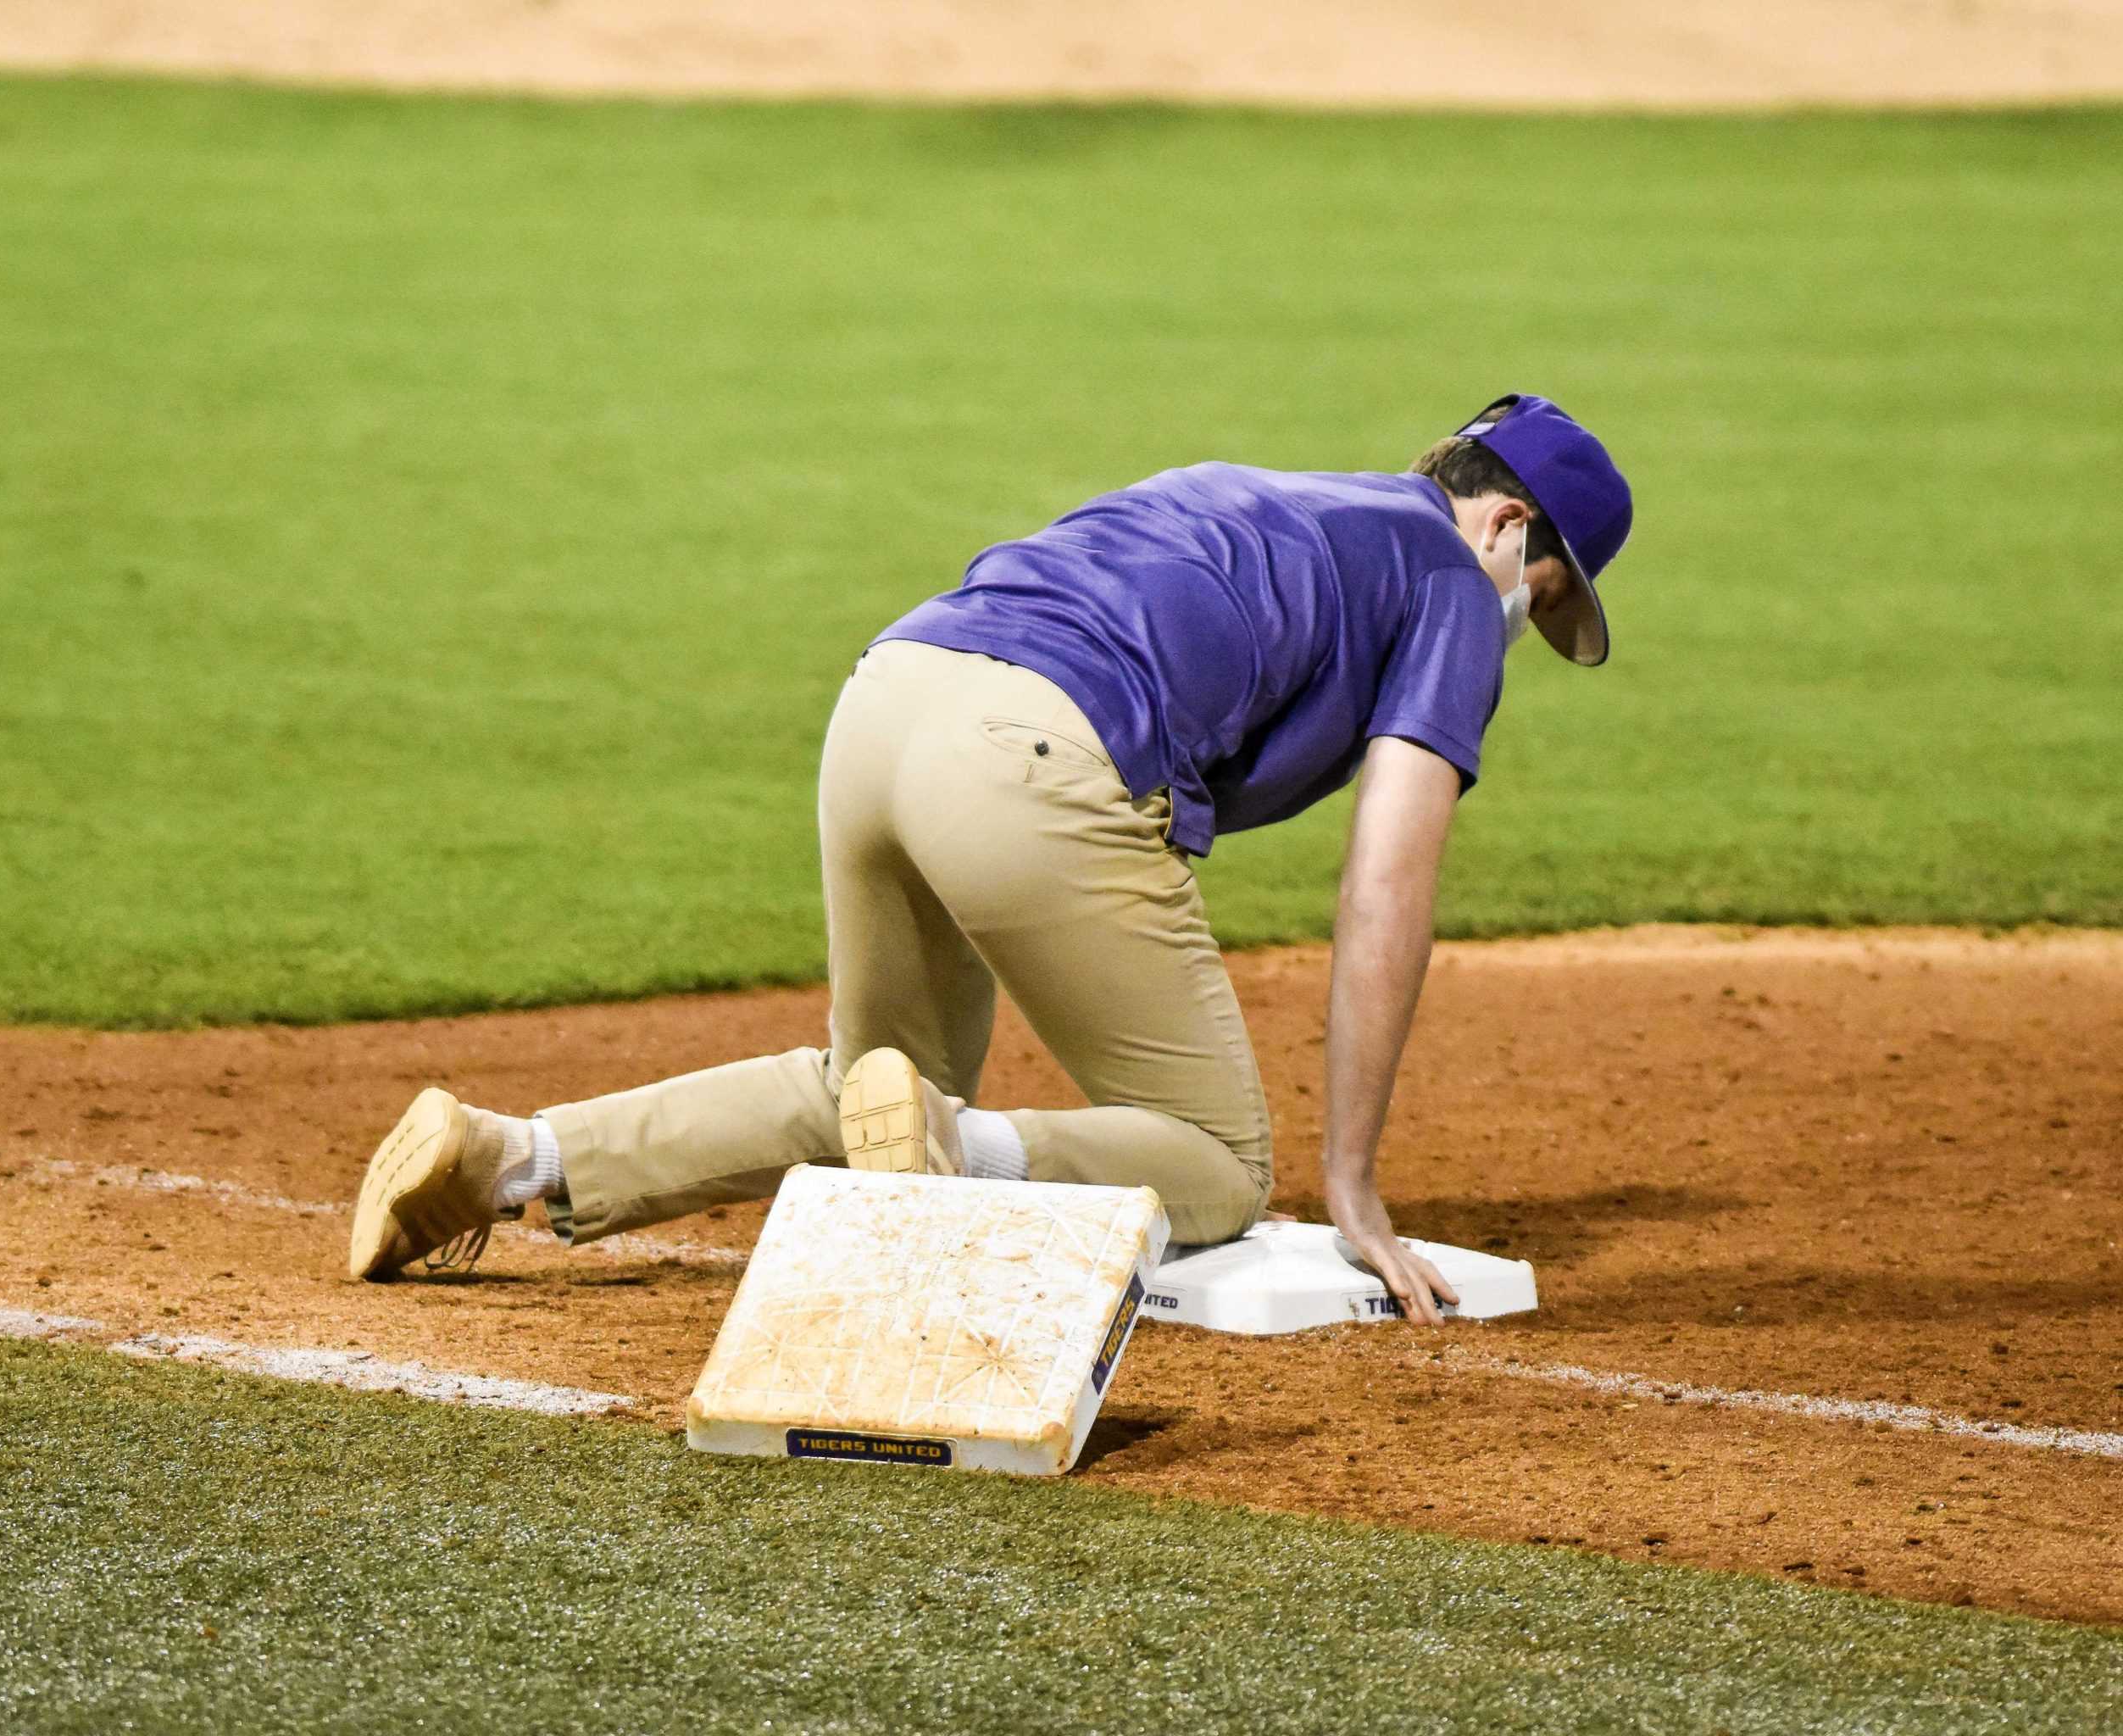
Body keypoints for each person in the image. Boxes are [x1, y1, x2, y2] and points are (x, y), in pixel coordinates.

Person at [347, 393, 1632, 1325]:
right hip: (1034, 751)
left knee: (874, 1086)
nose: (1532, 625)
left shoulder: (1261, 493)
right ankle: (957, 1156)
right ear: (1510, 526)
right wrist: (1349, 1184)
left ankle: (506, 1156)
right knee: (1219, 1162)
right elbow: (1387, 884)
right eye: (1554, 596)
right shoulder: (1457, 586)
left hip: (885, 701)